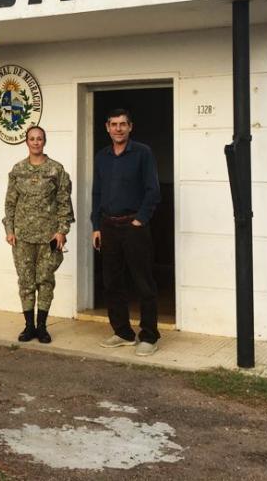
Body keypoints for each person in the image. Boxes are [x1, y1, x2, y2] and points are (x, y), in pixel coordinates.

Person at [91, 108, 161, 356]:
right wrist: (96, 226)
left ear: (130, 127)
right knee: (111, 282)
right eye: (114, 124)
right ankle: (122, 332)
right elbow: (97, 193)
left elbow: (153, 190)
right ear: (107, 127)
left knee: (143, 282)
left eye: (123, 124)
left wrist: (140, 220)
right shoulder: (102, 157)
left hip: (133, 225)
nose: (118, 128)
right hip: (108, 225)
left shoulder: (142, 153)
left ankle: (149, 336)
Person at [3, 125, 75, 344]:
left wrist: (62, 231)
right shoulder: (18, 170)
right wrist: (10, 230)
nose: (36, 142)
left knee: (45, 280)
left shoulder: (56, 170)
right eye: (32, 139)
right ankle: (29, 326)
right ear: (27, 142)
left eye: (39, 139)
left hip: (49, 237)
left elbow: (64, 202)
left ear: (45, 141)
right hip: (23, 236)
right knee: (25, 281)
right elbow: (10, 202)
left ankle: (42, 327)